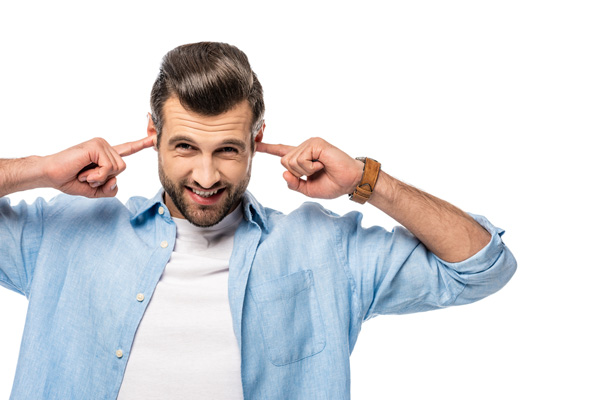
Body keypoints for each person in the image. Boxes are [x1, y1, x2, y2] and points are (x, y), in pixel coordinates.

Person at [0, 42, 516, 400]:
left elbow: (481, 267)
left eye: (227, 149)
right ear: (152, 134)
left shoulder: (323, 249)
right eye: (184, 147)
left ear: (257, 139)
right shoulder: (62, 235)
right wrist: (40, 170)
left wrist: (366, 179)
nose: (205, 176)